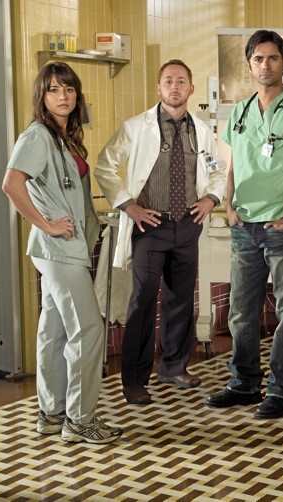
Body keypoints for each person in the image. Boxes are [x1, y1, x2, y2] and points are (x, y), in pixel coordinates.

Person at [205, 30, 283, 420]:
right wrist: (229, 206)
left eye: (272, 58)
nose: (265, 65)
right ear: (249, 65)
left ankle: (281, 390)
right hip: (245, 226)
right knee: (240, 311)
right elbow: (233, 165)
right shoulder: (240, 112)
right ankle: (244, 383)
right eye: (258, 59)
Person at [2, 62, 122, 443]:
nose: (63, 96)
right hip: (57, 248)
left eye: (69, 89)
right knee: (88, 329)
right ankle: (80, 419)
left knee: (53, 331)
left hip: (61, 248)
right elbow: (11, 184)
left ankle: (51, 413)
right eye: (54, 90)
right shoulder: (38, 136)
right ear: (42, 96)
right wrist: (47, 223)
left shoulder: (64, 136)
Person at [94, 59, 226, 405]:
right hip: (150, 226)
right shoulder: (136, 127)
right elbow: (104, 165)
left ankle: (173, 367)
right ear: (158, 88)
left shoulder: (202, 131)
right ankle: (134, 380)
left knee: (180, 299)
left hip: (187, 224)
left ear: (191, 88)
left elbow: (217, 169)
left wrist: (211, 198)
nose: (174, 87)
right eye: (168, 81)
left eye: (181, 81)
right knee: (142, 302)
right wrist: (129, 205)